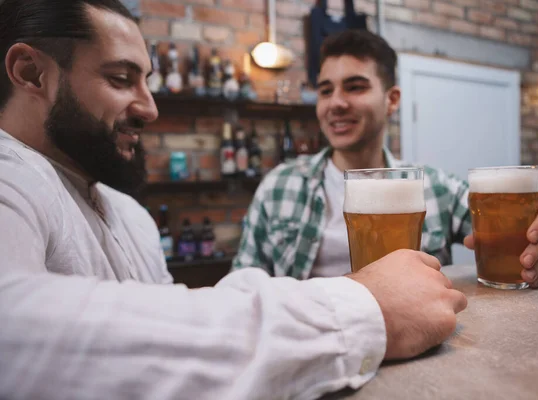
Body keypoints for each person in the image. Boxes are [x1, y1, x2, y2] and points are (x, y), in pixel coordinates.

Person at [0, 1, 468, 399]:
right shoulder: (11, 176)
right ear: (30, 73)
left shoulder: (131, 217)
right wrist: (362, 307)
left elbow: (180, 354)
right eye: (122, 78)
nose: (150, 108)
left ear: (392, 100)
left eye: (356, 87)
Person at [233, 30, 538, 289]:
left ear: (392, 99)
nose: (336, 103)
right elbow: (242, 286)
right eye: (325, 90)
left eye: (355, 87)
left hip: (416, 349)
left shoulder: (431, 185)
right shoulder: (279, 185)